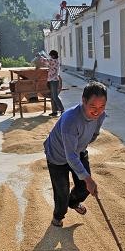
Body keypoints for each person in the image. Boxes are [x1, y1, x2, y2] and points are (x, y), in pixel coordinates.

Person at [44, 82, 107, 227]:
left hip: (78, 151)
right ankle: (58, 216)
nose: (97, 111)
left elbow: (94, 133)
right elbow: (70, 156)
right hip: (57, 156)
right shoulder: (71, 120)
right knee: (62, 191)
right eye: (93, 107)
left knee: (84, 188)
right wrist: (89, 179)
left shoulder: (101, 115)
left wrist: (83, 145)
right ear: (83, 101)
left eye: (102, 106)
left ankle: (73, 202)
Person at [47, 49, 64, 117]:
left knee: (55, 97)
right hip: (51, 80)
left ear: (54, 55)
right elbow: (47, 61)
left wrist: (41, 57)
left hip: (54, 80)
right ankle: (54, 111)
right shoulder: (52, 60)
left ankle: (62, 110)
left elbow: (48, 62)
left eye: (51, 55)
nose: (50, 57)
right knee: (52, 97)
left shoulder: (55, 61)